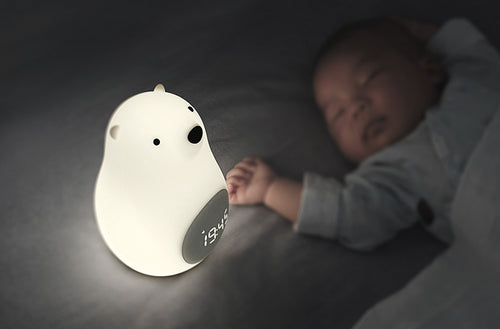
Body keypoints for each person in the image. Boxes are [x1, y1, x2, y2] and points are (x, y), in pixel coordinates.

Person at [226, 17, 500, 250]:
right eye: (338, 114)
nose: (356, 108)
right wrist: (270, 189)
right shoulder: (393, 174)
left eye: (369, 79)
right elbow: (348, 215)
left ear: (429, 69)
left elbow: (475, 55)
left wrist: (416, 31)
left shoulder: (469, 91)